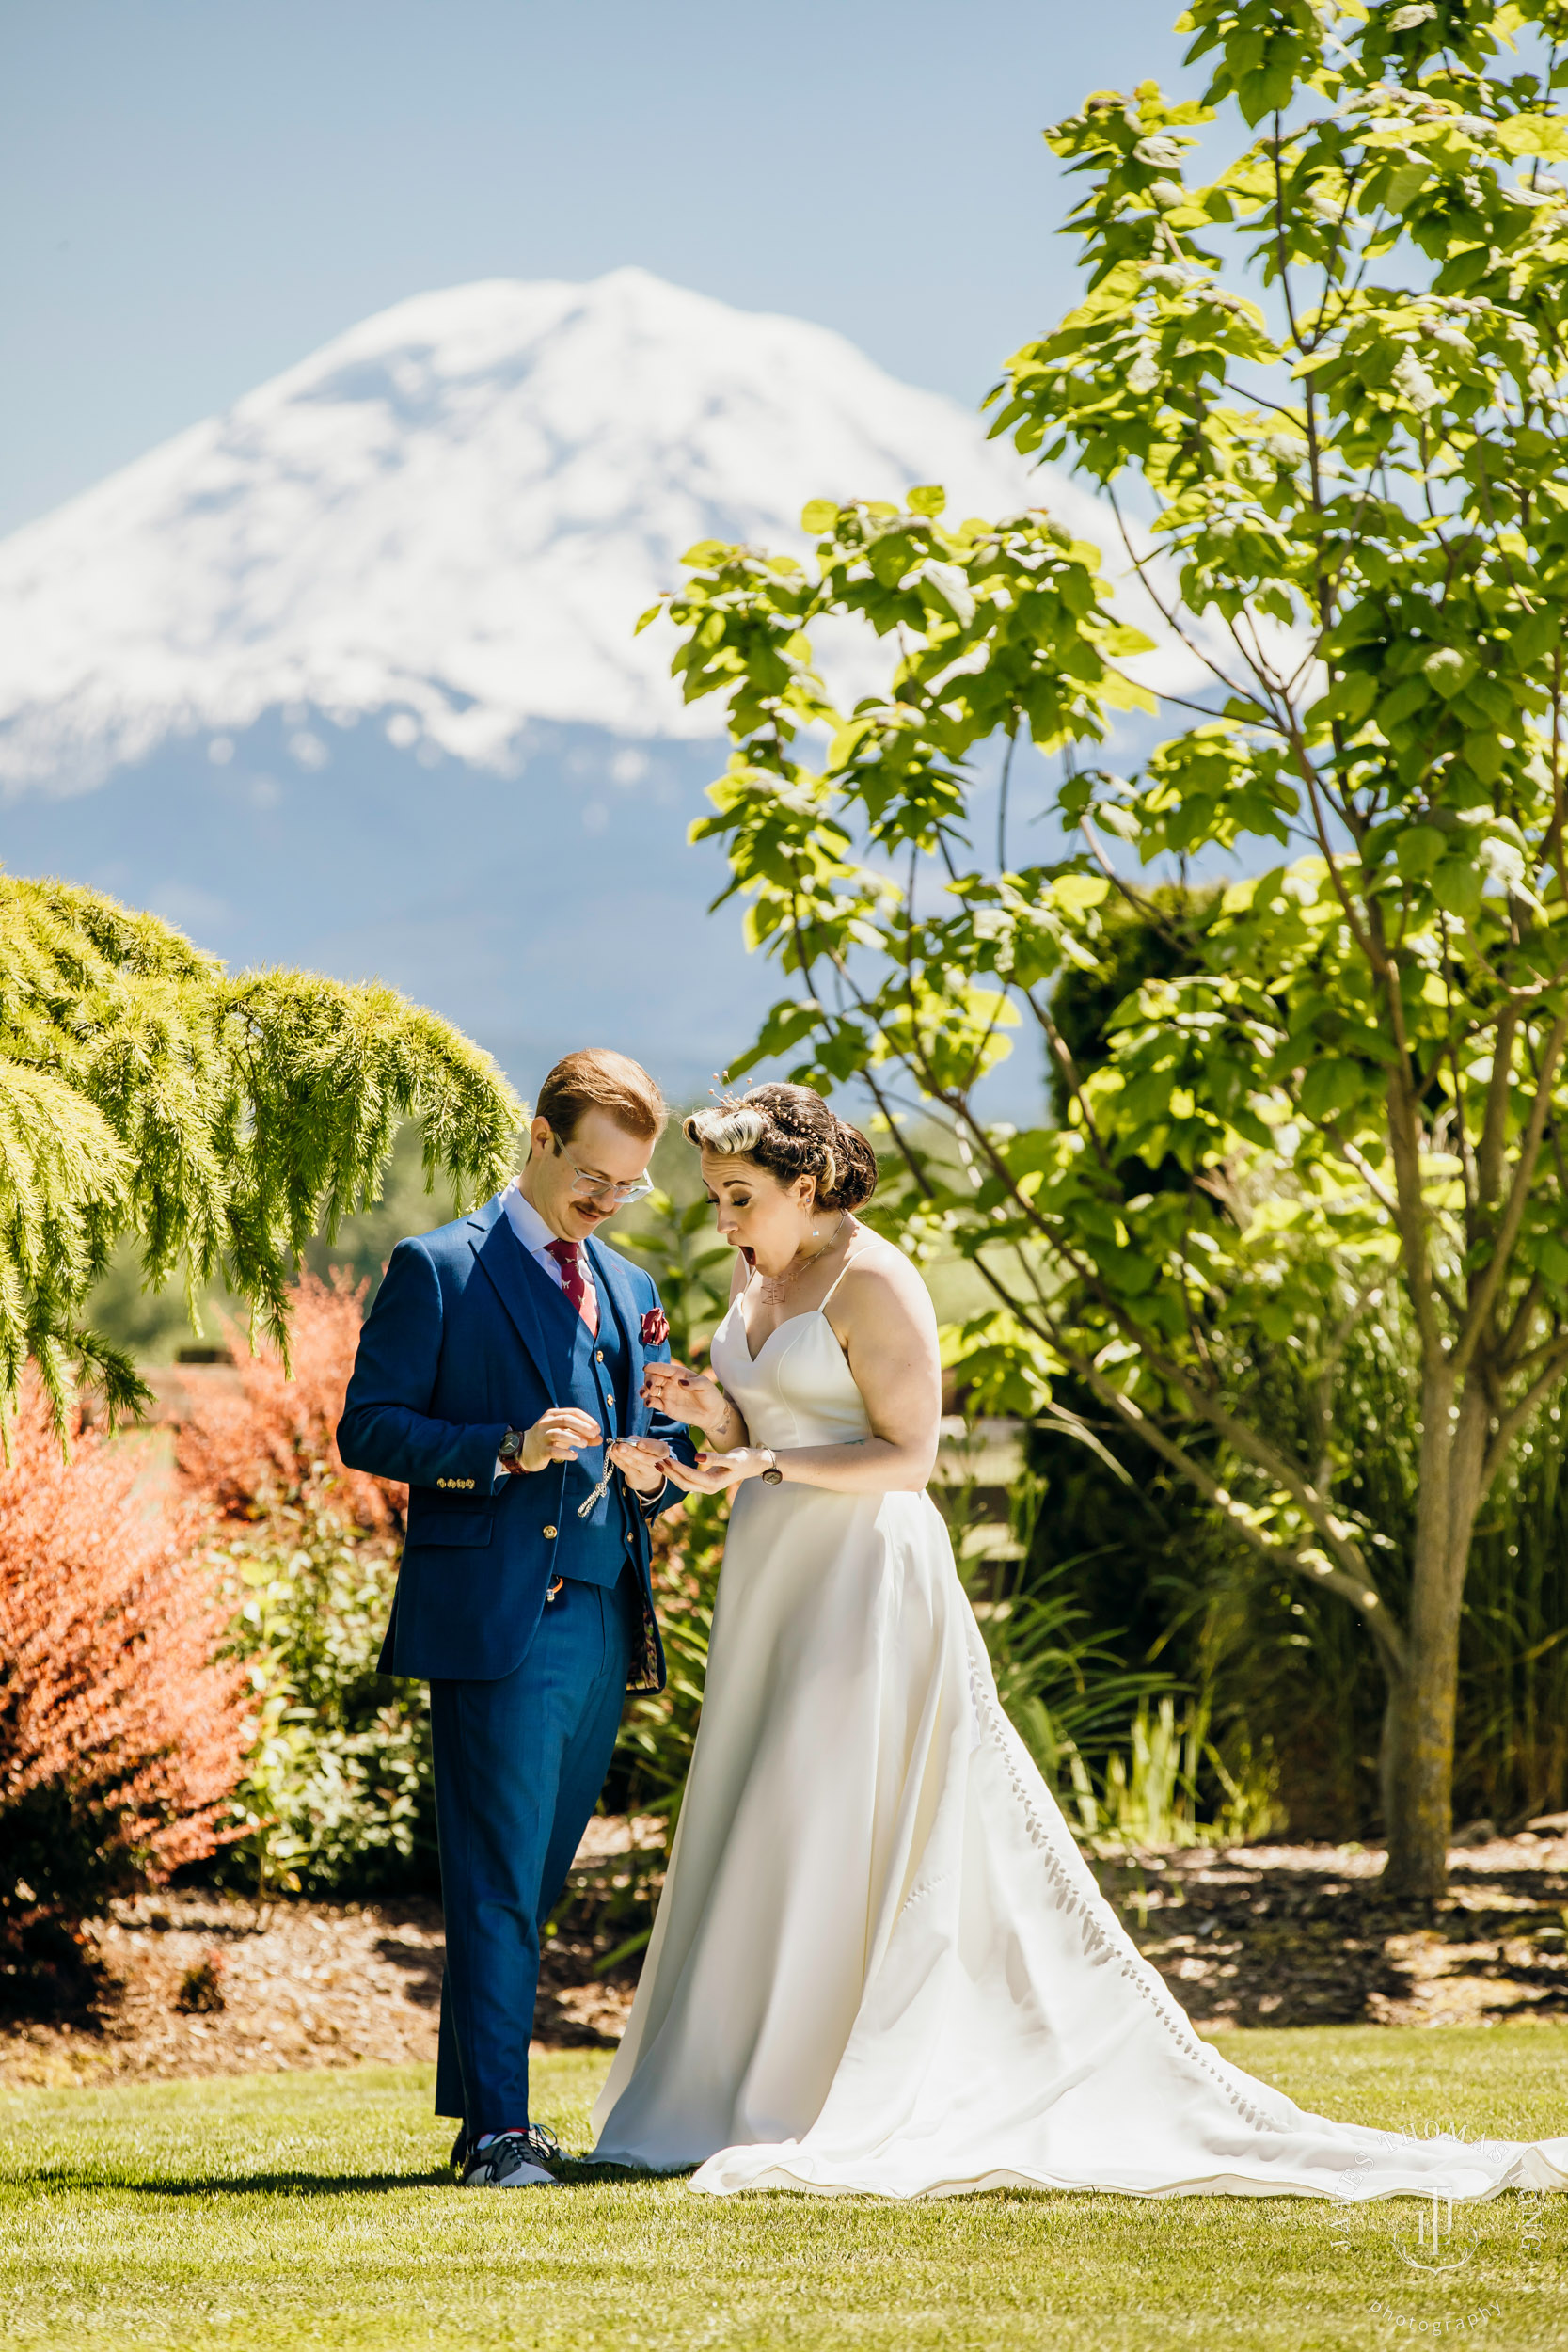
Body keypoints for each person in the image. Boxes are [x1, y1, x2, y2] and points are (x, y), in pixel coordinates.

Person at [589, 1082, 1568, 2204]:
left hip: (862, 1575)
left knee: (828, 1806)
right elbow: (766, 1418)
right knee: (766, 1807)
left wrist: (763, 1462)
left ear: (805, 1187)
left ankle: (812, 2094)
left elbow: (905, 1458)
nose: (722, 1223)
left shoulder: (876, 1280)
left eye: (738, 1197)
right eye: (716, 1199)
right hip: (774, 1571)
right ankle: (731, 2086)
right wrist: (710, 1419)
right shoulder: (752, 1274)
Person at [337, 1048, 696, 2189]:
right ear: (540, 1140)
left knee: (531, 1881)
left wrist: (658, 1469)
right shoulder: (437, 1267)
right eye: (594, 1177)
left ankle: (481, 2117)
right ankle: (500, 2132)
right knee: (497, 1880)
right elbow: (371, 1428)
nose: (607, 1203)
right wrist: (503, 1447)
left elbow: (669, 1442)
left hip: (603, 1615)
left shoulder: (632, 1290)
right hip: (495, 1617)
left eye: (628, 1187)